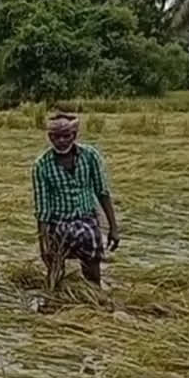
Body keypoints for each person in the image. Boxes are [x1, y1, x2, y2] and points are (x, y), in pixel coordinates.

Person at [32, 113, 120, 288]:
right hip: (58, 223)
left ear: (75, 135)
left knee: (92, 267)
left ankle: (95, 298)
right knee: (55, 269)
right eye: (56, 137)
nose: (62, 141)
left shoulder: (90, 156)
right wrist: (44, 245)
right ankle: (51, 301)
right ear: (50, 137)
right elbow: (42, 209)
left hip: (86, 221)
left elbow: (102, 192)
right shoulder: (42, 165)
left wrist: (113, 228)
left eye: (67, 136)